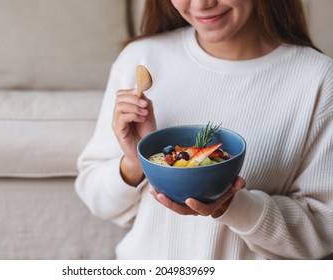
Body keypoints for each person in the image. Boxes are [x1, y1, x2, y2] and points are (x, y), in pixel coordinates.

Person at [75, 0, 333, 259]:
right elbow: (98, 200)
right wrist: (135, 162)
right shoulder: (141, 58)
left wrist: (231, 205)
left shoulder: (318, 79)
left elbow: (324, 232)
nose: (201, 4)